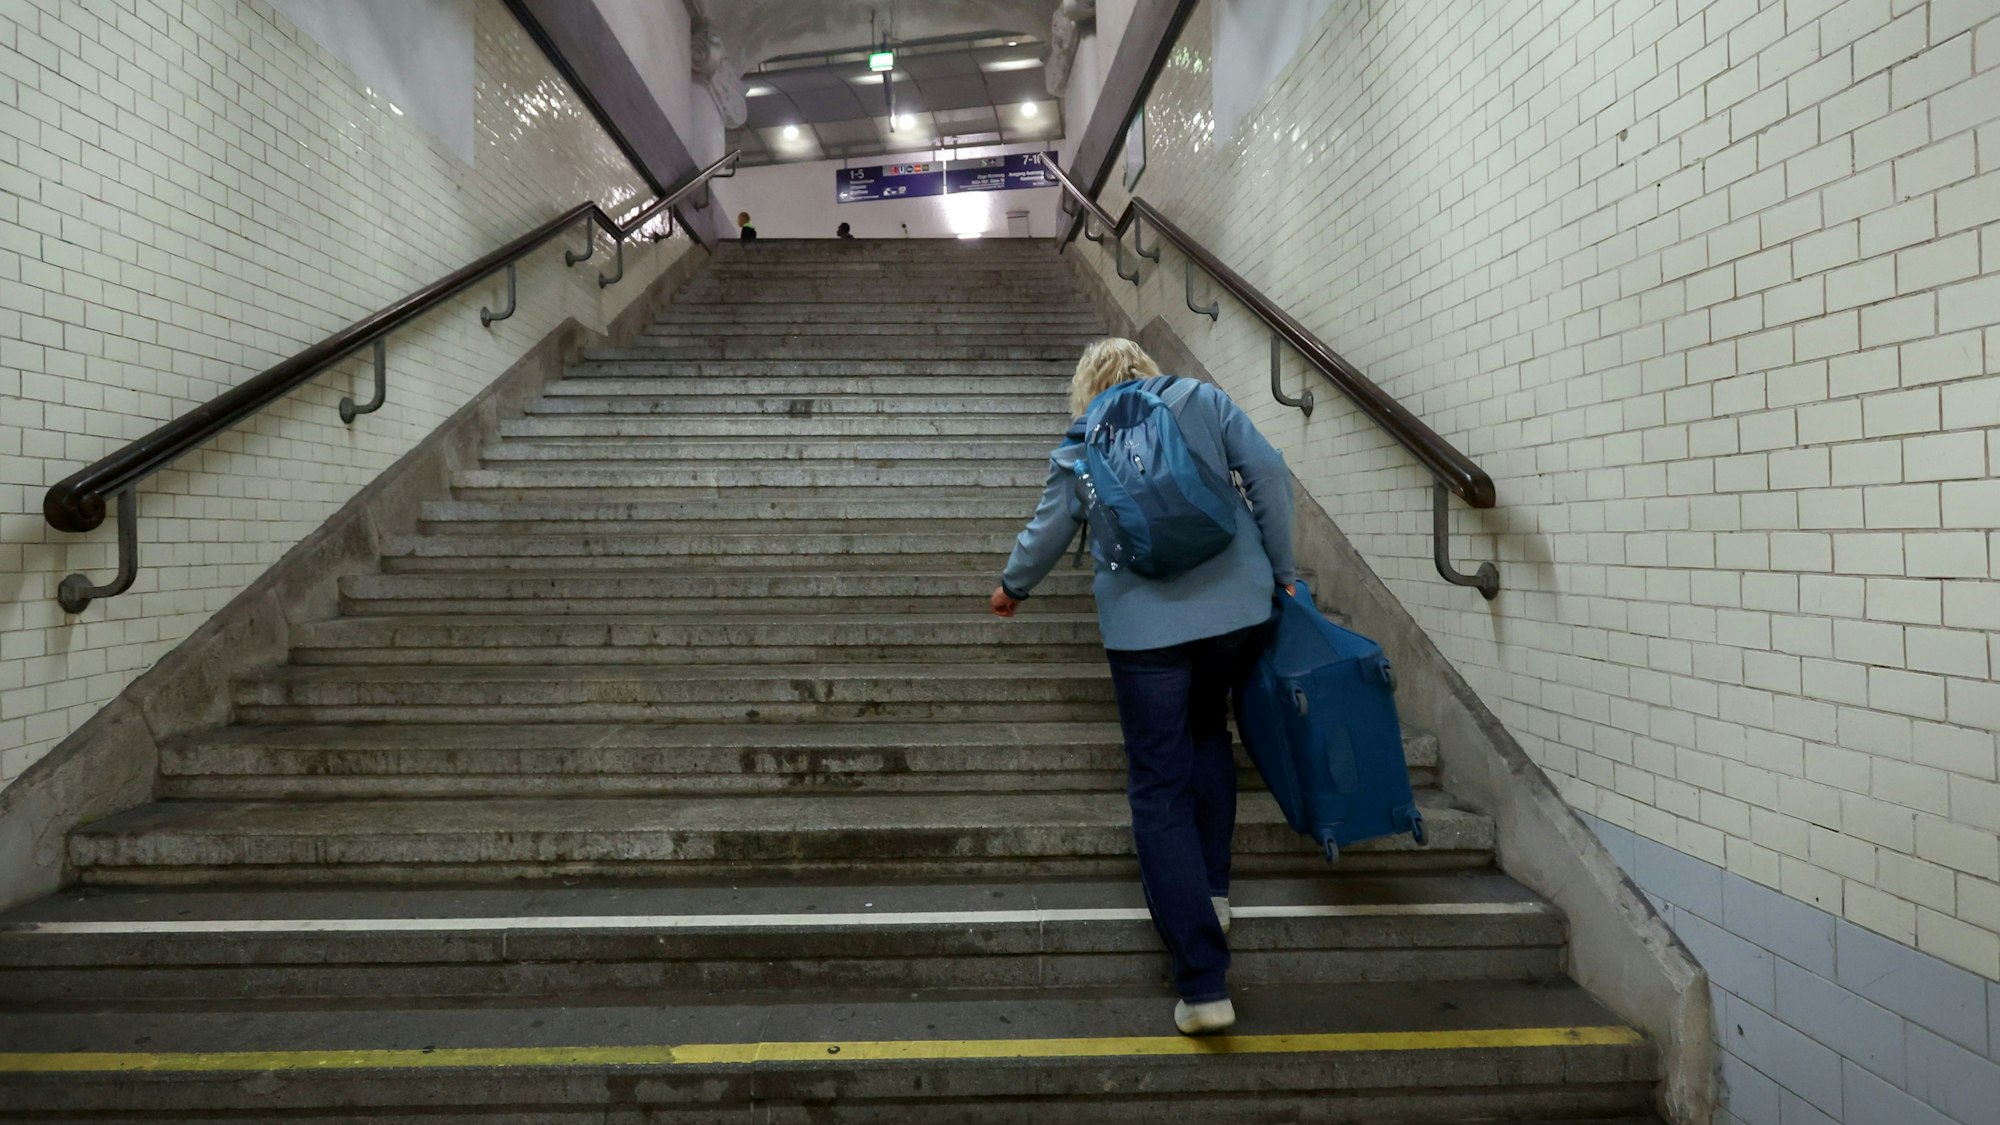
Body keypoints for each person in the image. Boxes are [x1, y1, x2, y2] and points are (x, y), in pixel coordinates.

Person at [991, 338, 1296, 1036]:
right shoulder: (1201, 399)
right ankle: (1212, 891)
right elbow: (1271, 476)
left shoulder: (1081, 437)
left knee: (1159, 783)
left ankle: (1203, 983)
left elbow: (1047, 529)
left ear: (1087, 386)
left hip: (1144, 632)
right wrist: (1283, 568)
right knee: (1210, 732)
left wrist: (1013, 587)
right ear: (1147, 371)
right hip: (1234, 612)